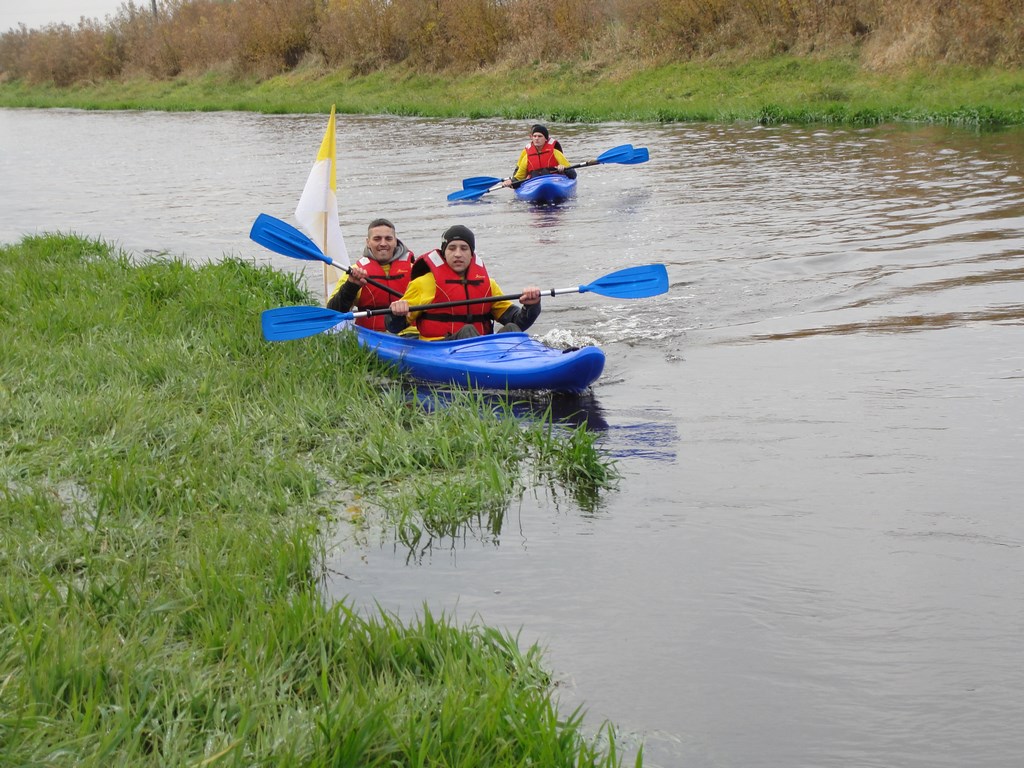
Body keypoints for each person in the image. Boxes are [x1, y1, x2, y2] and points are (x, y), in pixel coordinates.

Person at [386, 225, 541, 340]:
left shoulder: (488, 285)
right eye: (452, 248)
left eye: (464, 248)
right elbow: (394, 327)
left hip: (483, 348)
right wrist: (397, 313)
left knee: (512, 329)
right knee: (467, 331)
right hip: (439, 348)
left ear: (472, 253)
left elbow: (518, 321)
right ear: (444, 253)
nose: (458, 254)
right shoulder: (423, 284)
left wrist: (532, 305)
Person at [326, 218, 415, 331]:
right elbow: (333, 313)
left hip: (412, 335)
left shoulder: (415, 271)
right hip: (371, 335)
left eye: (388, 239)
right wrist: (351, 286)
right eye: (377, 239)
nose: (383, 243)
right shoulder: (355, 272)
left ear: (395, 241)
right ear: (368, 242)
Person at [501, 124, 577, 187]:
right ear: (532, 138)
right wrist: (510, 182)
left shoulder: (555, 153)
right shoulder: (527, 157)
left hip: (555, 182)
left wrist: (564, 169)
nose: (537, 138)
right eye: (534, 136)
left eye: (540, 136)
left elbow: (573, 174)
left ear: (546, 139)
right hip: (535, 184)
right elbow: (519, 178)